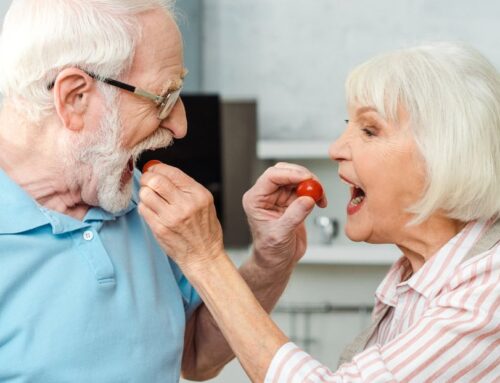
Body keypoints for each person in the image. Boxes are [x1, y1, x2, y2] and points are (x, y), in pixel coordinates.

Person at [0, 1, 325, 381]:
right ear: (76, 97)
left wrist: (269, 261)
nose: (181, 125)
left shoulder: (143, 201)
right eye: (164, 98)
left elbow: (197, 354)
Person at [140, 42, 500, 382]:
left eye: (370, 130)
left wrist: (204, 257)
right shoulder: (416, 276)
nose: (336, 149)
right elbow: (196, 358)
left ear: (444, 155)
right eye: (348, 128)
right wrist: (269, 260)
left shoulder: (488, 294)